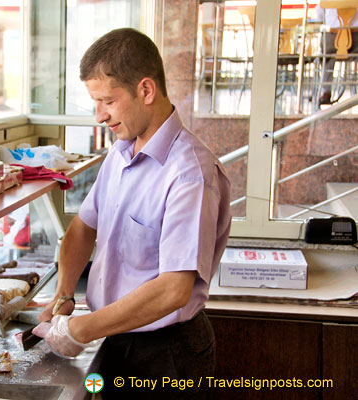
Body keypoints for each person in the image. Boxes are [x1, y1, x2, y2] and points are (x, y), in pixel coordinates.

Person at [32, 28, 232, 399]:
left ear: (145, 90)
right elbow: (82, 227)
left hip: (166, 356)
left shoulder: (189, 172)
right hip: (116, 339)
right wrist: (63, 294)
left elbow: (173, 289)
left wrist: (80, 330)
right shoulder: (122, 151)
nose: (98, 116)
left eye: (107, 101)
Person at [315, 5, 358, 105]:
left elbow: (319, 14)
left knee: (327, 56)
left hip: (332, 39)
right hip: (355, 41)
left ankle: (326, 90)